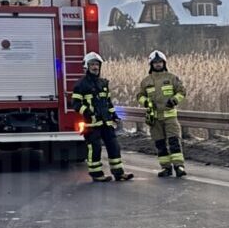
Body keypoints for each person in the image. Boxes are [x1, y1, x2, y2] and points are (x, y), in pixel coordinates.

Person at [72, 52, 134, 182]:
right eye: (92, 64)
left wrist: (114, 115)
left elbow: (108, 102)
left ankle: (119, 173)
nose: (95, 67)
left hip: (106, 122)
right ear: (86, 66)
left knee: (114, 146)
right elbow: (75, 104)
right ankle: (96, 174)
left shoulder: (103, 83)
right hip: (91, 124)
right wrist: (87, 112)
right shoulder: (80, 85)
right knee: (95, 148)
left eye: (97, 64)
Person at [137, 50, 187, 177]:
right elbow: (139, 96)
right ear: (151, 64)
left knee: (174, 141)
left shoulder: (171, 78)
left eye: (160, 62)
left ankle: (179, 166)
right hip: (155, 118)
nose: (158, 64)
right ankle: (166, 168)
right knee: (160, 144)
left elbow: (182, 92)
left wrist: (174, 100)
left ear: (164, 63)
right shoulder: (146, 81)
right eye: (155, 62)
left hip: (170, 116)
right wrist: (146, 102)